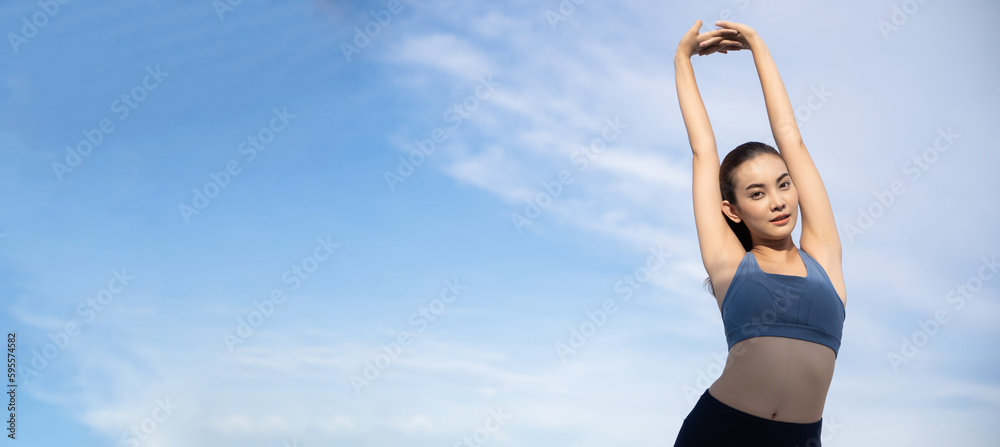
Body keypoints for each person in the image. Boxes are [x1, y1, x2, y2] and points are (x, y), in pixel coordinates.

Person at [672, 20, 847, 446]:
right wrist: (682, 60)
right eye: (757, 193)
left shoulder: (822, 257)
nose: (778, 201)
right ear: (731, 210)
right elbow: (702, 151)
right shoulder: (731, 267)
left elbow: (791, 137)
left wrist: (757, 47)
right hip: (719, 431)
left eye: (784, 184)